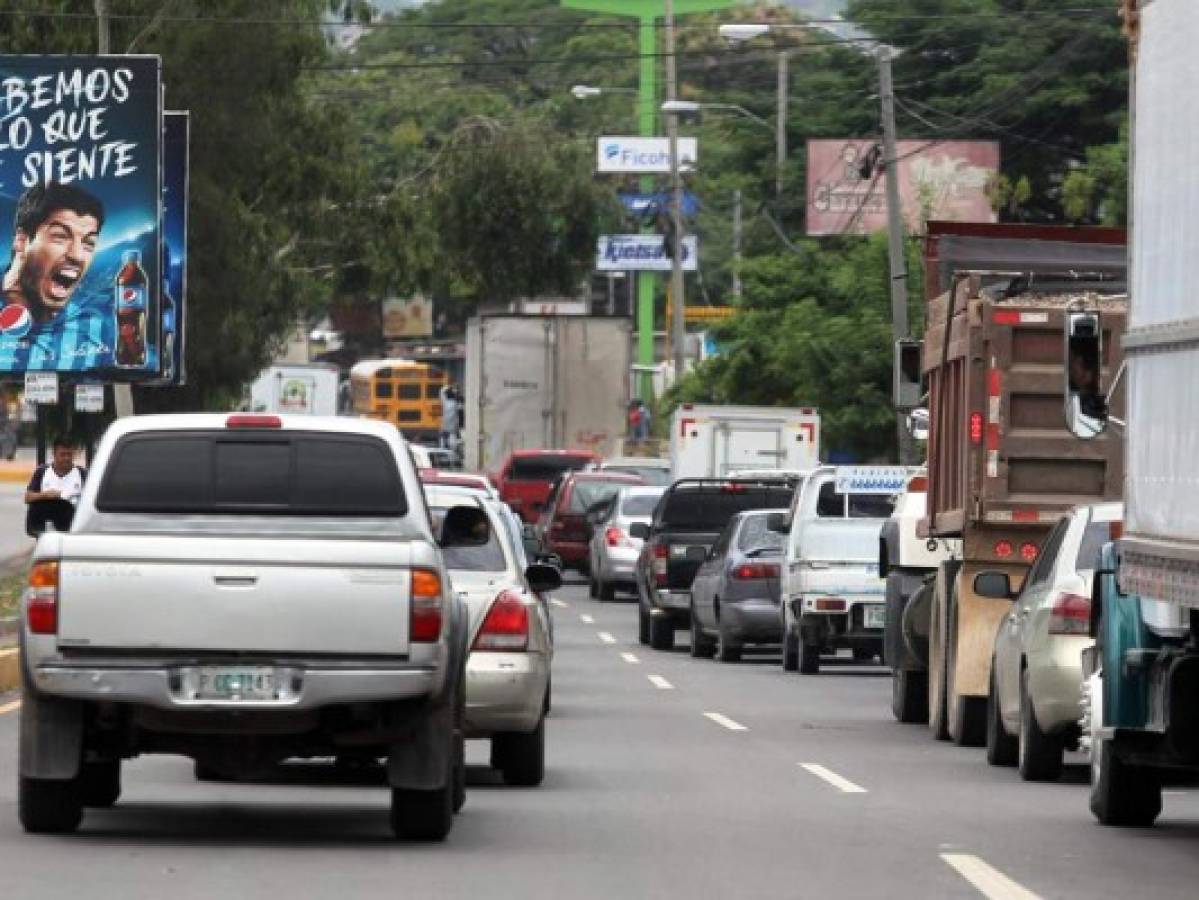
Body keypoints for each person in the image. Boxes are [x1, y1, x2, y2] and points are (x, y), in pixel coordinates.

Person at [3, 182, 105, 326]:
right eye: (60, 236)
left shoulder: (97, 324)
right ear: (21, 241)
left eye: (89, 243)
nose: (77, 256)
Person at [25, 438, 86, 537]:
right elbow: (28, 497)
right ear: (54, 454)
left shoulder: (82, 474)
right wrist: (45, 495)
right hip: (46, 528)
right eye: (62, 454)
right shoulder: (42, 472)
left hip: (72, 528)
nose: (66, 458)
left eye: (69, 454)